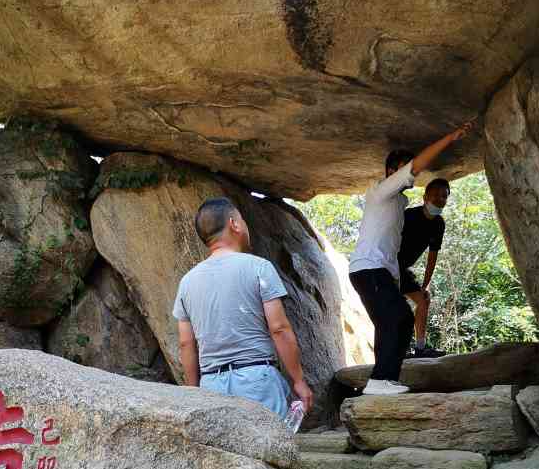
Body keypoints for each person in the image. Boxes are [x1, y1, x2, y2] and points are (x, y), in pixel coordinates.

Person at [348, 122, 472, 395]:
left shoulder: (397, 203)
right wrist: (450, 137)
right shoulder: (381, 191)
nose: (411, 175)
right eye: (404, 169)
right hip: (369, 269)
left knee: (387, 324)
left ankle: (381, 382)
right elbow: (416, 165)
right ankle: (381, 379)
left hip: (379, 271)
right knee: (401, 317)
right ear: (392, 172)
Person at [172, 197, 313, 418]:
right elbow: (279, 328)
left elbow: (186, 343)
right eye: (243, 220)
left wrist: (194, 392)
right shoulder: (259, 268)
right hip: (257, 381)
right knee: (272, 450)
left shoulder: (187, 282)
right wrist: (298, 381)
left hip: (212, 385)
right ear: (234, 224)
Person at [398, 178, 451, 358]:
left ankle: (420, 349)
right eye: (435, 194)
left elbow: (432, 256)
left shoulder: (438, 224)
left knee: (423, 300)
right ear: (425, 197)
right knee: (397, 309)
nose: (439, 199)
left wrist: (426, 285)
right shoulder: (408, 216)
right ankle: (398, 350)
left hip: (403, 268)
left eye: (444, 196)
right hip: (388, 265)